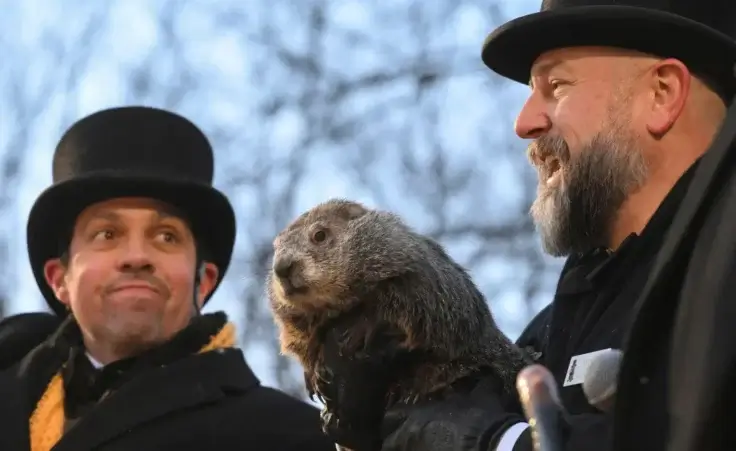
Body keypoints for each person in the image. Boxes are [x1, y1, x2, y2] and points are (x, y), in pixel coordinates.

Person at [331, 0, 736, 450]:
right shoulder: (555, 327)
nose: (524, 123)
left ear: (661, 94)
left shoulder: (719, 280)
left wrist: (495, 442)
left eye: (556, 85)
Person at [0, 107, 335, 450]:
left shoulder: (291, 437)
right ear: (60, 279)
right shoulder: (9, 400)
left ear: (202, 282)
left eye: (166, 236)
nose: (136, 257)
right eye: (106, 234)